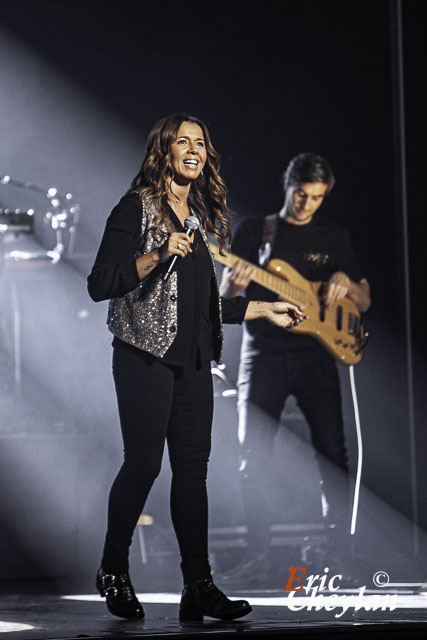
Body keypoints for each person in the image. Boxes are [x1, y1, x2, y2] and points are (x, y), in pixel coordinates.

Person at [87, 114, 305, 620]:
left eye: (201, 143)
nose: (195, 149)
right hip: (144, 355)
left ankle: (198, 585)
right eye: (183, 142)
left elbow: (206, 305)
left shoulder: (198, 218)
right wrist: (158, 253)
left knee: (193, 473)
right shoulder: (135, 207)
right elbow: (101, 283)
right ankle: (113, 569)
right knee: (143, 464)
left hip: (193, 362)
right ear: (163, 151)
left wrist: (265, 309)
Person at [220, 152, 371, 581]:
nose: (307, 205)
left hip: (317, 354)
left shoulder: (334, 234)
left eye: (316, 198)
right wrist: (234, 284)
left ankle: (340, 554)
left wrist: (349, 287)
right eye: (301, 195)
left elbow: (364, 295)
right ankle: (259, 555)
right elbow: (228, 297)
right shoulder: (256, 231)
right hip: (263, 352)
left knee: (332, 454)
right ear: (288, 187)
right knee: (253, 455)